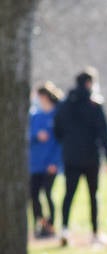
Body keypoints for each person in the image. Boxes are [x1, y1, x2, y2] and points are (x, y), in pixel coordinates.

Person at [53, 68, 107, 248]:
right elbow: (103, 132)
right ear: (89, 83)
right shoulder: (94, 104)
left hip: (70, 156)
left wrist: (68, 143)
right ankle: (95, 232)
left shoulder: (64, 104)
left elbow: (57, 130)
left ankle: (64, 229)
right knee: (93, 195)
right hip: (90, 157)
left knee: (68, 194)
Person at [29, 83, 63, 239]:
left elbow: (60, 142)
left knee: (48, 193)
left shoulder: (57, 115)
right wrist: (36, 136)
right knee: (34, 194)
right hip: (35, 164)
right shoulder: (35, 116)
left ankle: (51, 224)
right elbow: (27, 136)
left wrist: (55, 162)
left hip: (50, 164)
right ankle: (40, 222)